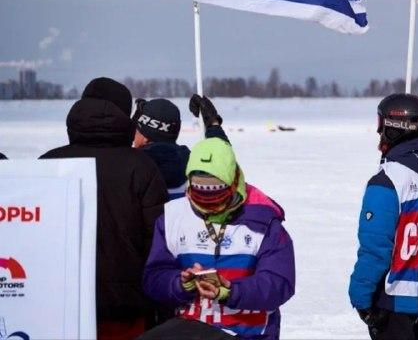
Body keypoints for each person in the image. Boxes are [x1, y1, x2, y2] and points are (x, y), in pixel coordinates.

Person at [40, 77, 168, 339]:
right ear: (125, 115)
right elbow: (159, 242)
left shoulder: (48, 164)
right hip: (127, 308)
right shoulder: (141, 167)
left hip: (59, 306)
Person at [142, 135, 295, 339]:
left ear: (233, 183)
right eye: (199, 194)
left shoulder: (264, 222)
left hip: (248, 333)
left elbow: (279, 284)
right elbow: (154, 277)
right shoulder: (172, 217)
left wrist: (231, 291)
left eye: (216, 194)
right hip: (188, 328)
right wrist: (180, 283)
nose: (208, 204)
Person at [349, 94, 418, 340]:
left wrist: (361, 297)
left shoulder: (386, 181)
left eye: (381, 125)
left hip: (395, 305)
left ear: (393, 128)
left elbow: (375, 248)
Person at [133, 96, 228, 201]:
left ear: (145, 137)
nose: (133, 137)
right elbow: (222, 163)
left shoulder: (132, 166)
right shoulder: (194, 165)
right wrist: (213, 124)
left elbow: (116, 155)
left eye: (136, 131)